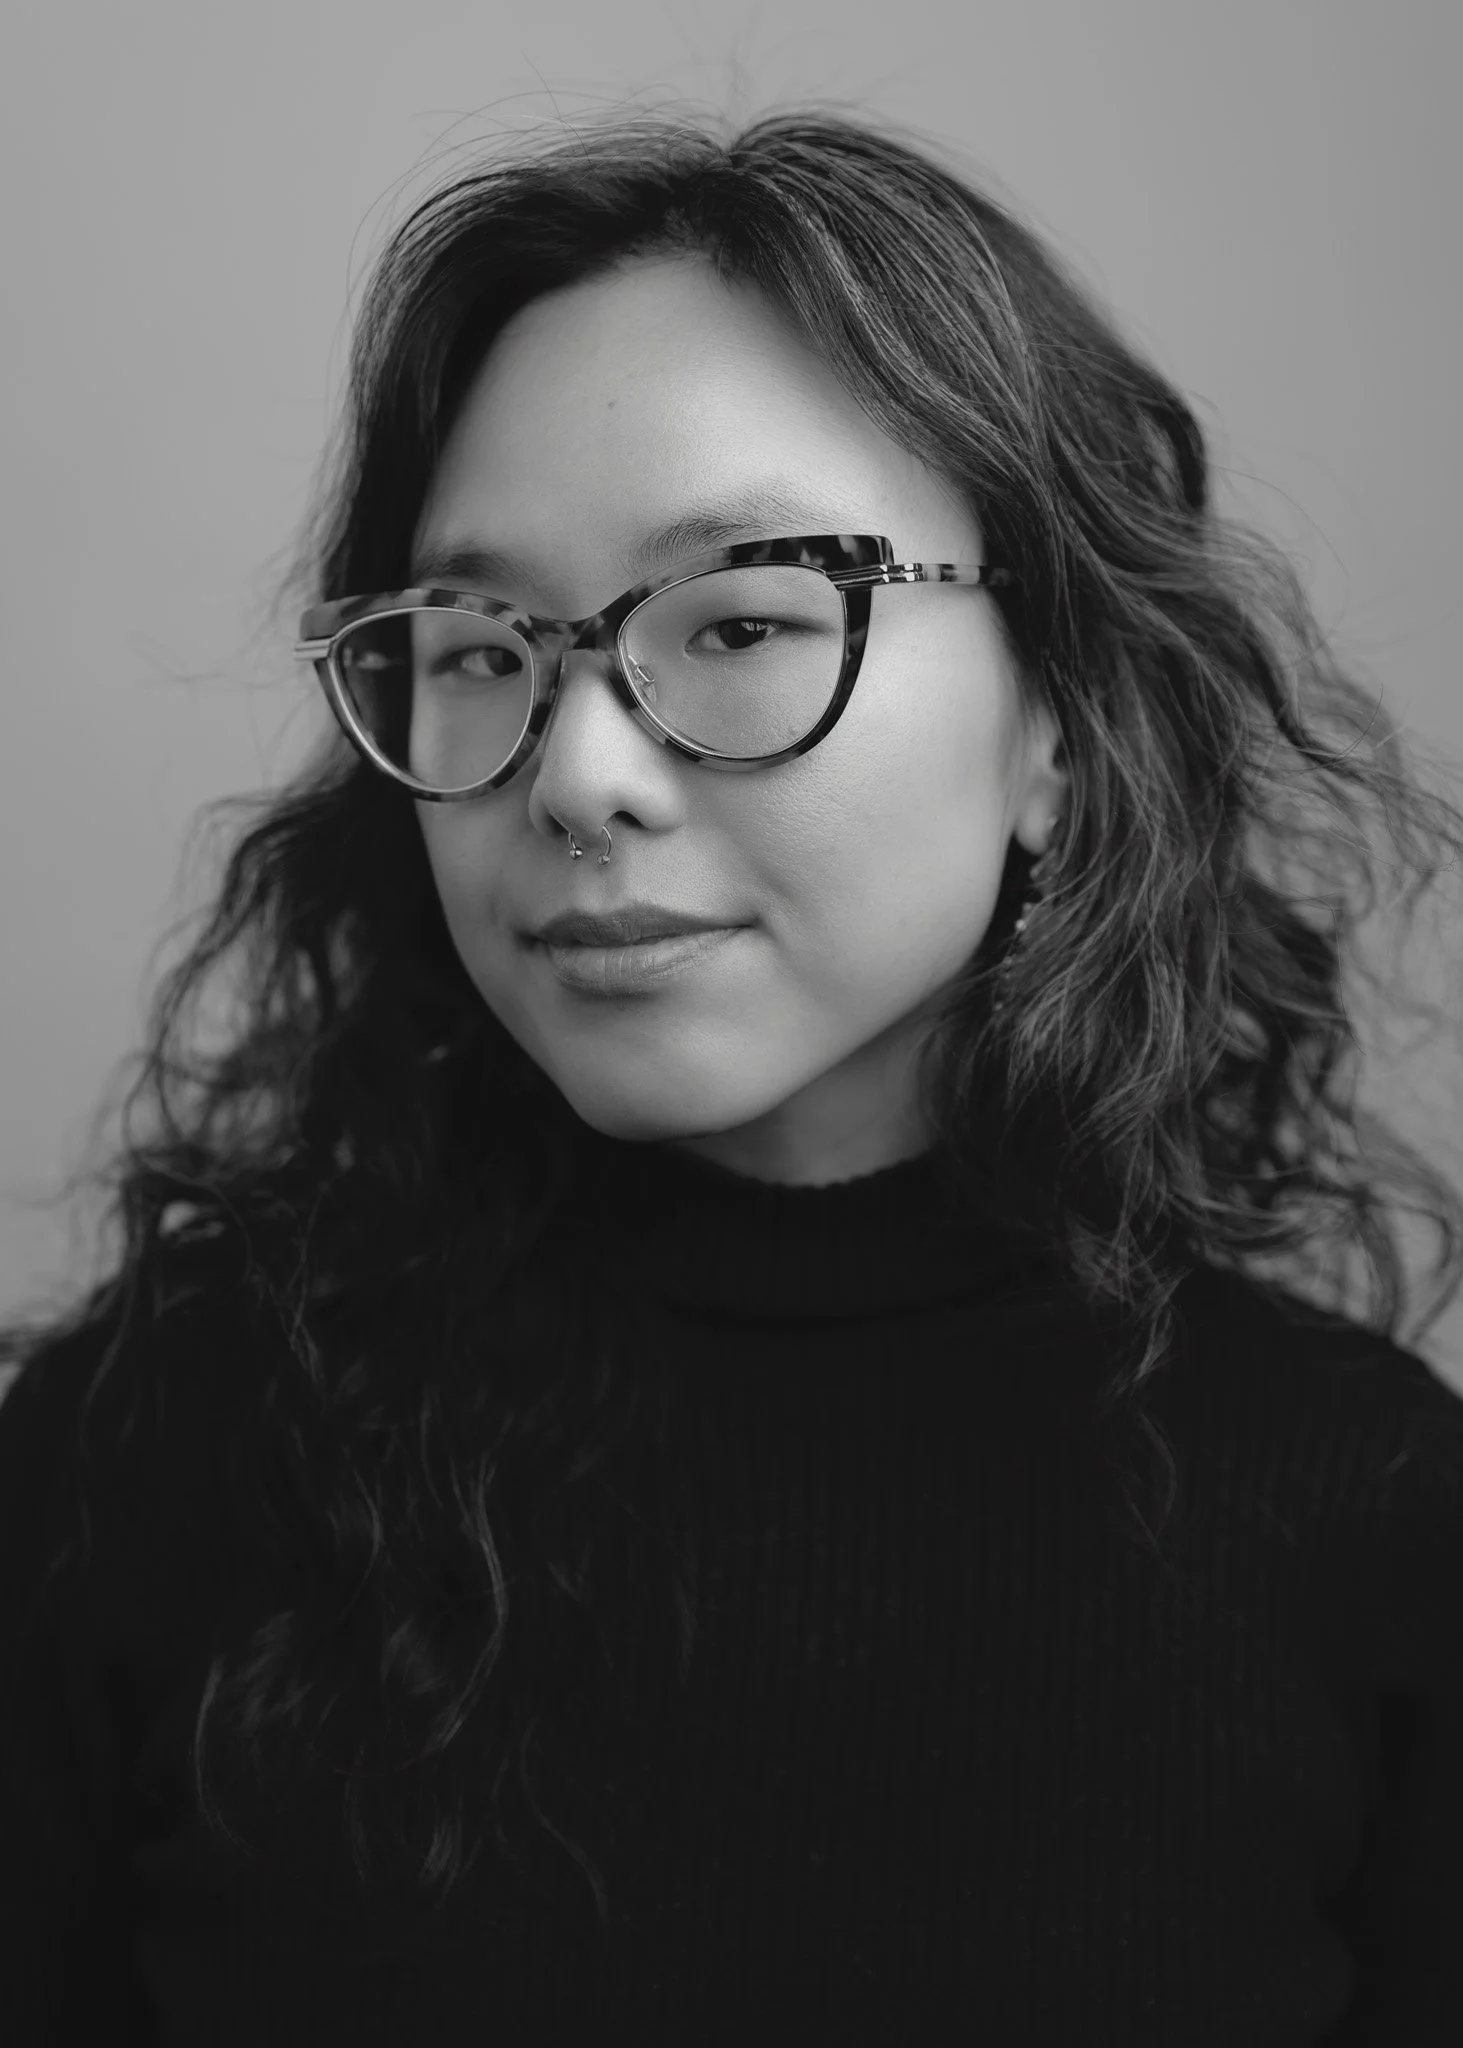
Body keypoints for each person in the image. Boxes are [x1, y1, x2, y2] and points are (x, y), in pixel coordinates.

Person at [2, 104, 1461, 2047]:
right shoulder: (150, 1451)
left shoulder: (1366, 1516)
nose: (578, 771)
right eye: (480, 645)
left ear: (1055, 722)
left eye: (747, 622)